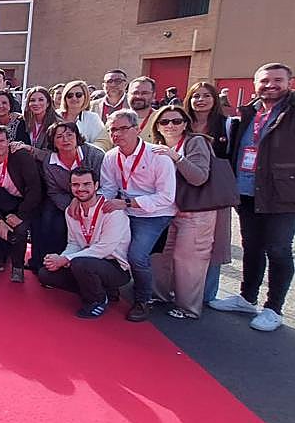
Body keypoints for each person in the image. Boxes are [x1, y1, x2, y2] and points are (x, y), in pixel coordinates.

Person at [209, 63, 295, 331]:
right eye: (264, 81)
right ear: (255, 84)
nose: (270, 85)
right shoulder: (251, 112)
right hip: (248, 191)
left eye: (277, 80)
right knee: (252, 246)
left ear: (289, 82)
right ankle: (247, 298)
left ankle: (274, 308)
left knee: (279, 249)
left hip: (284, 195)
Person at [98, 109, 177, 322]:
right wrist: (92, 205)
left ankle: (143, 300)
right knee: (108, 245)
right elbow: (107, 188)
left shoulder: (159, 156)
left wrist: (126, 203)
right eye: (113, 130)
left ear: (137, 129)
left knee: (136, 256)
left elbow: (166, 197)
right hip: (124, 208)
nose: (117, 134)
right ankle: (111, 286)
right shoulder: (110, 156)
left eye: (123, 128)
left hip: (154, 214)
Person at [147, 105, 216, 319]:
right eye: (164, 122)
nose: (170, 125)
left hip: (195, 211)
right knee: (160, 256)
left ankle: (189, 307)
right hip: (167, 210)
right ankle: (160, 295)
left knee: (188, 260)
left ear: (185, 123)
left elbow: (199, 177)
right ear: (157, 126)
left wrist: (176, 157)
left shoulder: (196, 142)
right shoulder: (156, 146)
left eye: (176, 121)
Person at [38, 167, 132, 318]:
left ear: (96, 186)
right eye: (76, 185)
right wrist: (59, 259)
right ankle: (101, 289)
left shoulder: (113, 212)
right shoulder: (72, 211)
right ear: (71, 187)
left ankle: (98, 300)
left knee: (81, 263)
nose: (81, 189)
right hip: (85, 260)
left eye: (86, 184)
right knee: (45, 273)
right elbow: (73, 243)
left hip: (114, 266)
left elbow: (104, 249)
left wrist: (66, 259)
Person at [16, 121, 106, 272]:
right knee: (45, 221)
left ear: (77, 137)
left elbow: (104, 184)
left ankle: (66, 263)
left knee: (62, 225)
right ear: (53, 142)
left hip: (93, 197)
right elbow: (53, 191)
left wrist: (82, 202)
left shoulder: (95, 155)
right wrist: (71, 205)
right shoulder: (49, 162)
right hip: (63, 197)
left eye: (69, 135)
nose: (65, 140)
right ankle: (42, 263)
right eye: (59, 136)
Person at [184, 81, 236, 302]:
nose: (200, 100)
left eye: (206, 96)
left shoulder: (228, 126)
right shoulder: (180, 123)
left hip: (213, 192)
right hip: (184, 188)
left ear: (215, 99)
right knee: (182, 242)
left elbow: (234, 158)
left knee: (212, 243)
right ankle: (181, 289)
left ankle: (207, 293)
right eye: (196, 96)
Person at [0, 126, 42, 282]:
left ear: (8, 142)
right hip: (6, 201)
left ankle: (18, 267)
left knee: (20, 228)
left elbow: (35, 189)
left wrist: (21, 215)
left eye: (2, 141)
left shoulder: (21, 157)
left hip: (30, 202)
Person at [56, 80, 110, 150]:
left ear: (85, 97)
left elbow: (103, 142)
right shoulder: (55, 115)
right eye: (70, 95)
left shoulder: (92, 118)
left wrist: (83, 151)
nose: (74, 98)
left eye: (78, 95)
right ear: (65, 98)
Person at [126, 76, 158, 141]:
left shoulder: (162, 119)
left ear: (153, 96)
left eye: (144, 93)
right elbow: (103, 142)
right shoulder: (116, 118)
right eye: (135, 93)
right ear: (127, 95)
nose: (139, 96)